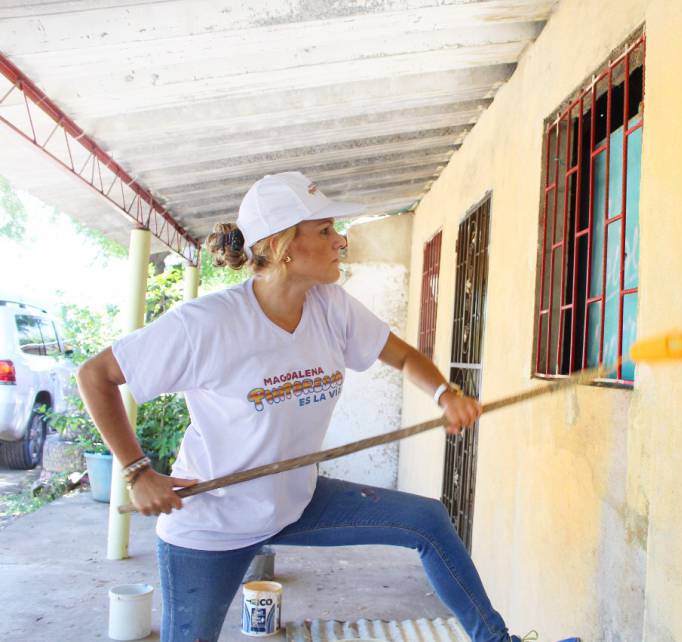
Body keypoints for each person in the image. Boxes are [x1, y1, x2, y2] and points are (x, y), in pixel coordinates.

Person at [77, 171, 579, 642]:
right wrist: (139, 471)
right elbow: (95, 375)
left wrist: (445, 394)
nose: (341, 239)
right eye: (325, 229)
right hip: (211, 524)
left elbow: (400, 353)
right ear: (284, 246)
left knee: (427, 521)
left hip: (294, 502)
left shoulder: (329, 306)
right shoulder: (206, 324)